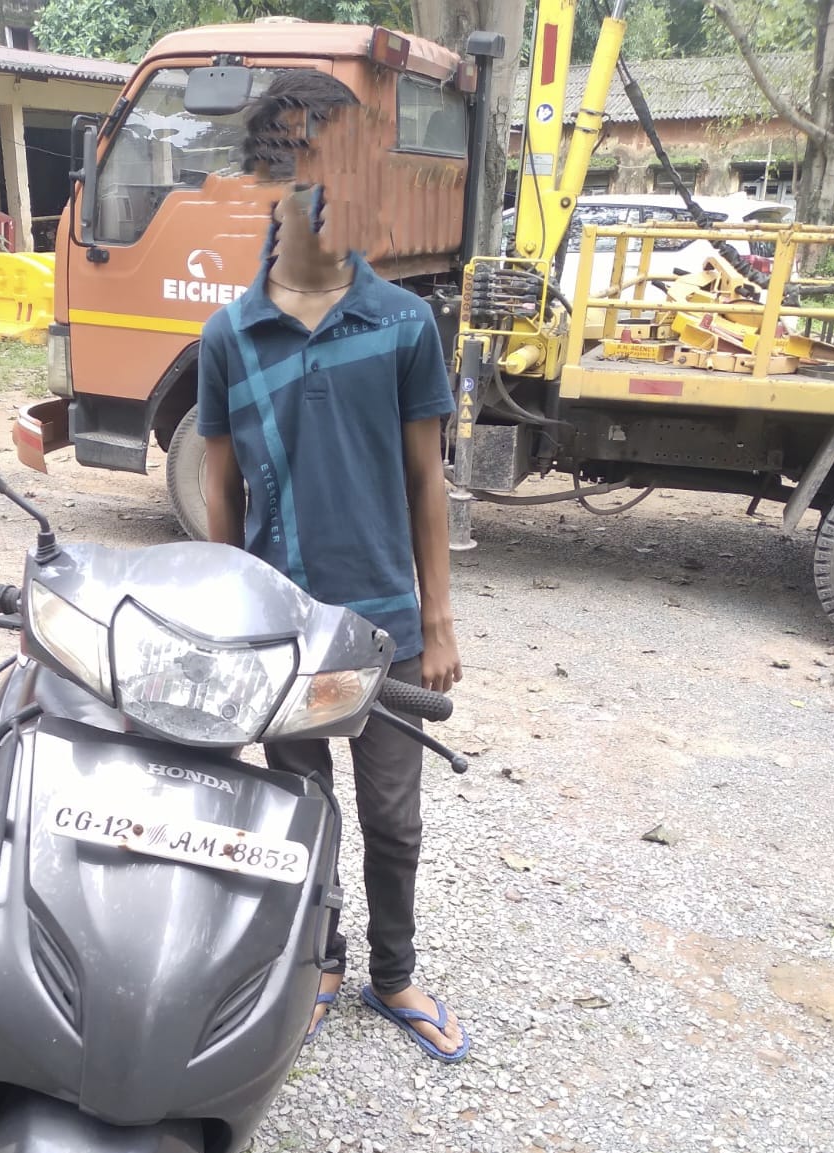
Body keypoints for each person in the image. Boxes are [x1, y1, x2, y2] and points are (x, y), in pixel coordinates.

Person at [197, 73, 469, 1063]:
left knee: (394, 818)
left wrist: (437, 621)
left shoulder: (401, 324)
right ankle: (319, 961)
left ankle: (393, 973)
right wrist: (226, 622)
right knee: (299, 815)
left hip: (384, 626)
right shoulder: (229, 338)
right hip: (285, 631)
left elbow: (427, 481)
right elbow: (221, 493)